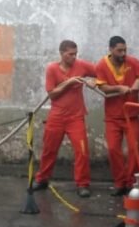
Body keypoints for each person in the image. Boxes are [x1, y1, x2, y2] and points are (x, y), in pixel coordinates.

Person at [32, 40, 96, 198]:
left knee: (82, 151)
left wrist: (96, 81)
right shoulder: (52, 69)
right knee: (49, 149)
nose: (74, 57)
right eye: (70, 54)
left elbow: (100, 72)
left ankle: (83, 184)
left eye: (75, 54)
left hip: (76, 117)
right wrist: (69, 83)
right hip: (57, 117)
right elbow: (52, 94)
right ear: (61, 53)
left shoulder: (82, 66)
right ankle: (42, 179)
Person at [95, 36, 139, 196]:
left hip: (131, 115)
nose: (123, 53)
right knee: (113, 149)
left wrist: (138, 83)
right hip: (112, 117)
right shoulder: (101, 65)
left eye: (125, 50)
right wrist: (119, 88)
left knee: (134, 149)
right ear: (110, 49)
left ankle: (132, 183)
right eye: (119, 50)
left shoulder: (132, 61)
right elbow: (103, 87)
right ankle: (119, 183)